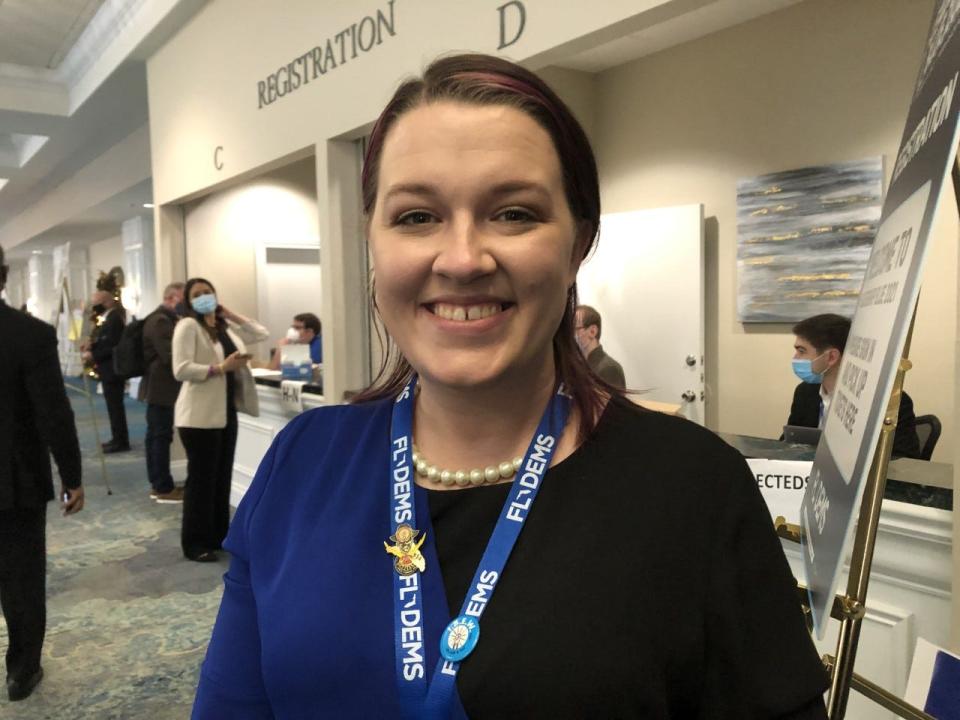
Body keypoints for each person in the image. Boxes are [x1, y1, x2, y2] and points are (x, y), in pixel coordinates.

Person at [193, 54, 828, 718]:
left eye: (514, 213)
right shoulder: (301, 463)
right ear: (373, 244)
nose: (464, 258)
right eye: (416, 217)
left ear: (577, 244)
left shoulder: (695, 490)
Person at [0, 244, 84, 702]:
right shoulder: (29, 334)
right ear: (4, 275)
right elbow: (54, 412)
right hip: (17, 482)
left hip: (17, 480)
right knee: (22, 580)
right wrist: (72, 475)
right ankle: (21, 672)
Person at [172, 279, 268, 562]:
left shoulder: (223, 326)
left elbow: (261, 333)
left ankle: (217, 536)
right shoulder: (188, 326)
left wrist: (231, 315)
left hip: (226, 412)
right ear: (189, 302)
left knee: (220, 477)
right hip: (198, 416)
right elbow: (180, 369)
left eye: (208, 292)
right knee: (201, 481)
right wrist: (220, 368)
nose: (204, 298)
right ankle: (195, 542)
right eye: (197, 295)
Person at [787, 313, 920, 458]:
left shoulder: (888, 401)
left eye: (801, 351)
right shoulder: (805, 392)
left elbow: (902, 460)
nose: (795, 358)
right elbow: (789, 443)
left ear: (831, 357)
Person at [141, 281, 186, 503]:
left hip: (160, 387)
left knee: (156, 436)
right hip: (161, 388)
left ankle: (159, 483)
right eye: (182, 298)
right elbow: (171, 355)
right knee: (160, 436)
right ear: (170, 299)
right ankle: (163, 487)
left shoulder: (163, 319)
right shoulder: (161, 321)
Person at [83, 273, 130, 453]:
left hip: (112, 369)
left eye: (97, 304)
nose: (95, 308)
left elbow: (112, 346)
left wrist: (92, 354)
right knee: (113, 407)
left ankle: (120, 441)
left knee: (115, 407)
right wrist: (93, 345)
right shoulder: (108, 318)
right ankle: (116, 438)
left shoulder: (114, 319)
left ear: (107, 302)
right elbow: (104, 341)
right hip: (108, 369)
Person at [574, 304, 626, 389]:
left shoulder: (609, 369)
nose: (569, 335)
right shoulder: (578, 365)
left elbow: (608, 402)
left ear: (592, 331)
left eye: (574, 329)